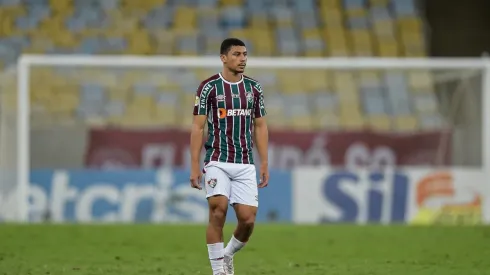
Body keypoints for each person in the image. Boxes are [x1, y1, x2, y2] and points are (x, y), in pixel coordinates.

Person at [189, 38, 269, 275]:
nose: (242, 58)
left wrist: (264, 161)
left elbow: (261, 126)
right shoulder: (208, 87)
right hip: (217, 159)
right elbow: (197, 127)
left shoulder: (254, 88)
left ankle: (227, 255)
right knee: (218, 209)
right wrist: (194, 165)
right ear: (223, 58)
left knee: (247, 220)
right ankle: (218, 271)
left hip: (245, 162)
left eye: (245, 54)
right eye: (236, 54)